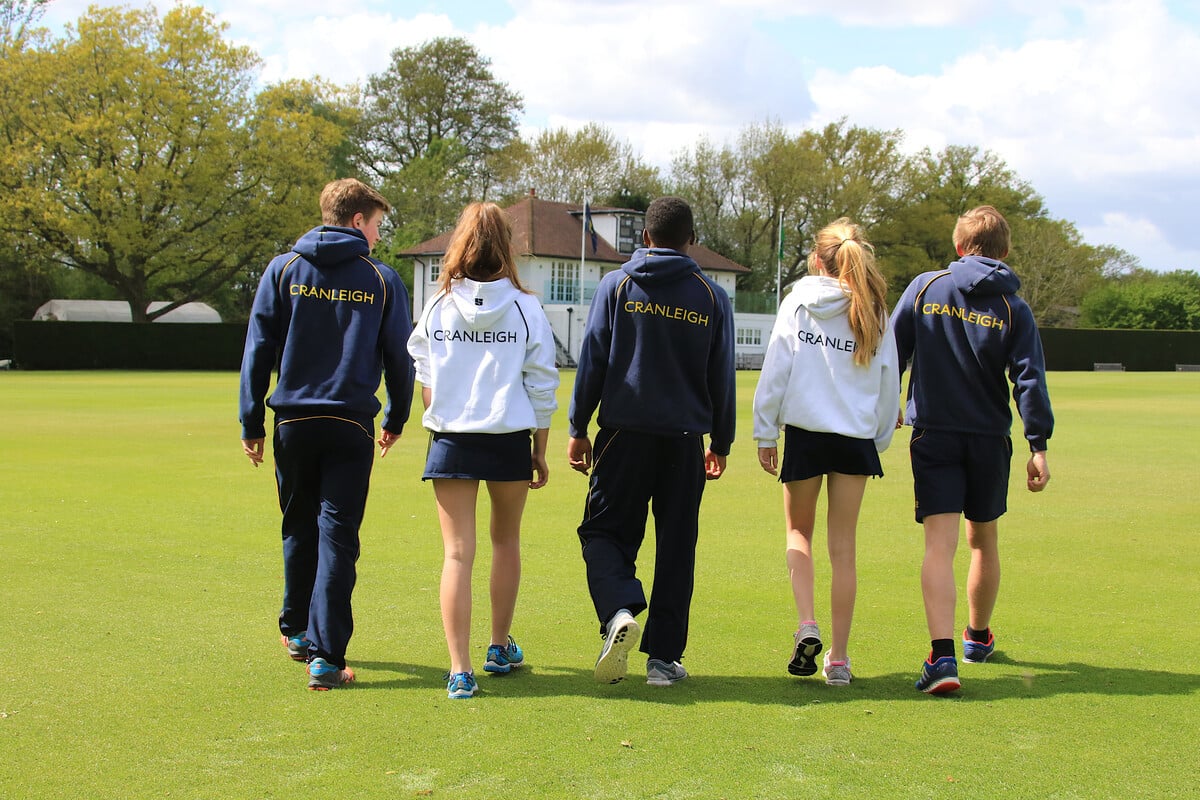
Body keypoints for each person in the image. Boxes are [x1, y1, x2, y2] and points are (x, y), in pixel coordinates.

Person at [239, 178, 414, 691]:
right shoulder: (381, 279)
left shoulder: (283, 270)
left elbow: (257, 350)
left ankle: (296, 631)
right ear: (358, 220)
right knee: (338, 536)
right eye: (377, 224)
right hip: (349, 422)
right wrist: (397, 418)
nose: (379, 236)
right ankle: (326, 657)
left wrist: (250, 421)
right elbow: (399, 359)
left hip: (292, 420)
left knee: (297, 526)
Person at [568, 195, 736, 687]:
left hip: (622, 433)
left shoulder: (617, 284)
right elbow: (720, 375)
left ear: (644, 237)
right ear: (691, 240)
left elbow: (593, 358)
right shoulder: (710, 295)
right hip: (684, 439)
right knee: (677, 546)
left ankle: (619, 608)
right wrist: (720, 442)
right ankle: (663, 660)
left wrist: (578, 426)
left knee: (603, 533)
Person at [890, 205, 1053, 694]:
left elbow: (890, 352)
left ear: (959, 247)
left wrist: (886, 403)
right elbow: (1029, 378)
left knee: (939, 545)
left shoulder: (925, 286)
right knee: (983, 540)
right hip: (988, 438)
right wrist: (1038, 444)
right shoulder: (1013, 307)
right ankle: (977, 639)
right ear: (1004, 253)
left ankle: (941, 660)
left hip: (933, 433)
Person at [407, 202, 559, 700]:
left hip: (452, 439)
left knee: (456, 554)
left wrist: (446, 404)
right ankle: (498, 647)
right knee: (504, 542)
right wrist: (540, 448)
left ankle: (459, 671)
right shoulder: (525, 306)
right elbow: (541, 383)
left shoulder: (439, 303)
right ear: (507, 247)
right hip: (509, 438)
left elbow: (422, 369)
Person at [752, 218, 899, 687]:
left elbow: (777, 367)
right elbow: (889, 380)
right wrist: (878, 438)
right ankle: (839, 659)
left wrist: (765, 432)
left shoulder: (798, 302)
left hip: (806, 433)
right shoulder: (875, 308)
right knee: (845, 550)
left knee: (799, 532)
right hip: (855, 439)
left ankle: (806, 623)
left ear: (817, 259)